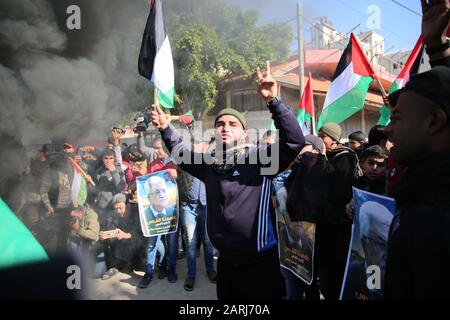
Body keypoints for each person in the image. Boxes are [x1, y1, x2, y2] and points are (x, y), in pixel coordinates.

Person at [151, 61, 304, 300]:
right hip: (226, 262)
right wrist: (165, 128)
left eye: (232, 124)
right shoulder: (210, 163)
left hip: (259, 263)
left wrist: (273, 101)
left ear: (243, 132)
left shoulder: (260, 158)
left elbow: (294, 142)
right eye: (220, 124)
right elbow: (181, 154)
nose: (225, 127)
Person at [383, 0, 450, 299]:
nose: (387, 128)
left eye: (397, 117)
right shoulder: (422, 195)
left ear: (434, 122)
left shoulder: (435, 221)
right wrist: (436, 49)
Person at [317, 122, 361, 300]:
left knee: (337, 264)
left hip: (339, 222)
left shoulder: (345, 157)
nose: (320, 140)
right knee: (325, 265)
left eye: (323, 137)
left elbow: (336, 185)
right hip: (324, 221)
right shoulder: (327, 155)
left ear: (333, 139)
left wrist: (320, 159)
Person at [343, 201, 393, 300]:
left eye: (389, 244)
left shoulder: (397, 280)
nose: (387, 253)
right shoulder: (353, 274)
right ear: (364, 243)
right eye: (380, 243)